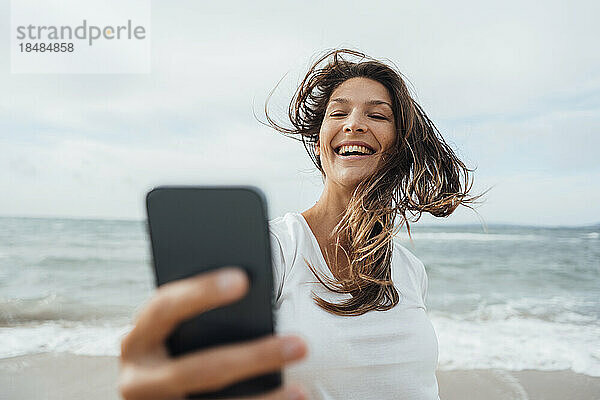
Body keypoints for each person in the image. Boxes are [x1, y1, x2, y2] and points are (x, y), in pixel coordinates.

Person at [118, 48, 481, 400]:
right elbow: (213, 377)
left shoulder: (410, 269)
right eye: (338, 114)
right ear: (321, 142)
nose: (354, 123)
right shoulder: (275, 248)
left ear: (401, 144)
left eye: (378, 115)